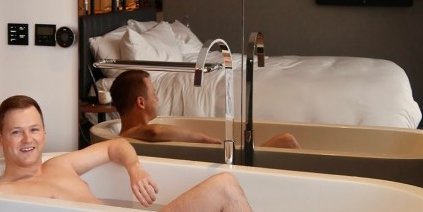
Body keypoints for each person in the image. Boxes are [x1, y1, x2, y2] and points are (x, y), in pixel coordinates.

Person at [0, 94, 258, 212]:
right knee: (224, 187)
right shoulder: (3, 194)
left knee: (226, 183)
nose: (27, 139)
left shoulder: (60, 165)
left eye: (34, 130)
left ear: (44, 133)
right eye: (16, 132)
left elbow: (115, 145)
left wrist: (134, 167)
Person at [109, 69, 301, 149]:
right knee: (286, 140)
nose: (157, 99)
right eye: (154, 94)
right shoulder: (128, 135)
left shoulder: (132, 135)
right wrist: (205, 139)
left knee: (286, 140)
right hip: (229, 171)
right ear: (141, 102)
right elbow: (155, 131)